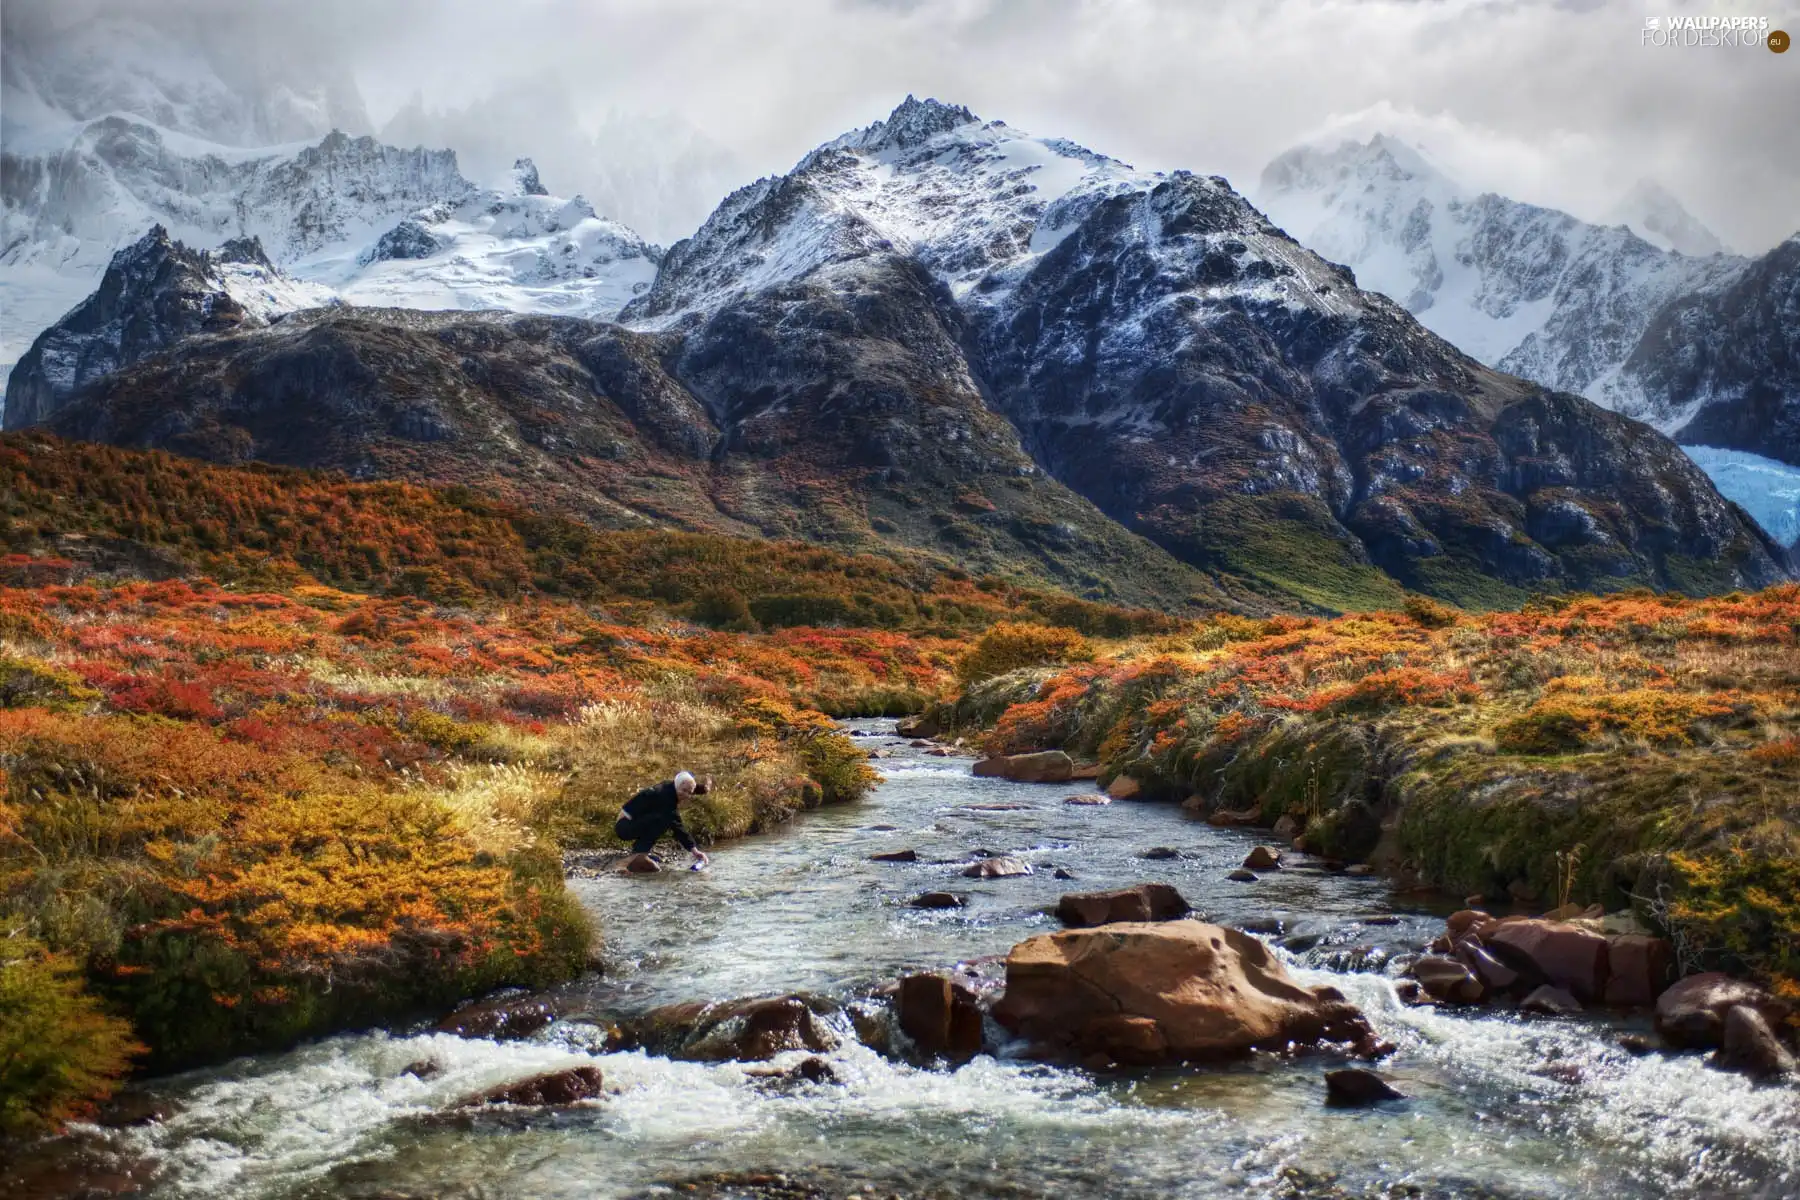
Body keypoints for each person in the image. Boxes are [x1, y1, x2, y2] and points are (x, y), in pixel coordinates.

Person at [614, 770, 712, 869]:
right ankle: (637, 856)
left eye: (689, 793)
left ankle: (639, 854)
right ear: (677, 785)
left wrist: (704, 788)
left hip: (633, 822)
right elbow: (678, 826)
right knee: (663, 820)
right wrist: (695, 851)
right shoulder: (665, 797)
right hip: (624, 827)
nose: (686, 795)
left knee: (662, 818)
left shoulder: (671, 787)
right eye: (684, 791)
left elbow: (688, 787)